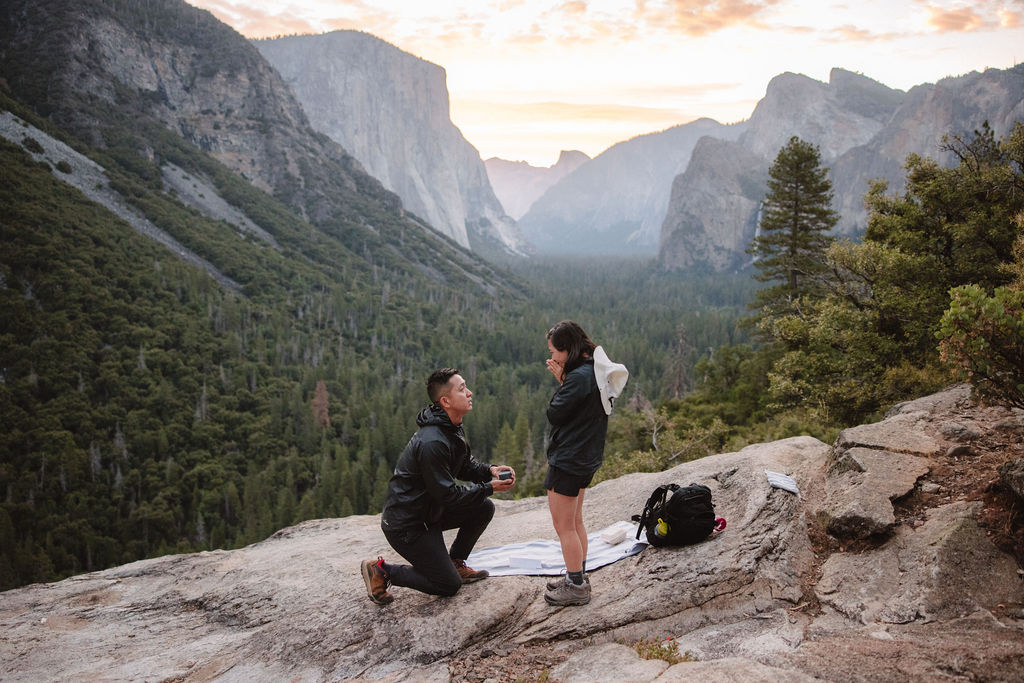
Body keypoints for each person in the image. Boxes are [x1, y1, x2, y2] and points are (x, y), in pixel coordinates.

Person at [360, 368, 516, 605]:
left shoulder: (451, 427)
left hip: (428, 513)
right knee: (448, 585)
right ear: (445, 401)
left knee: (483, 508)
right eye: (462, 389)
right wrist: (489, 487)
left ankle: (455, 561)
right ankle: (382, 570)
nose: (470, 393)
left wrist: (489, 471)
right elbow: (449, 496)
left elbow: (463, 466)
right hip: (408, 525)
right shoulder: (433, 441)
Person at [542, 321, 614, 607]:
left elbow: (555, 413)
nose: (553, 357)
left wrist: (561, 382)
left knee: (564, 526)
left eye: (554, 351)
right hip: (586, 456)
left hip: (569, 459)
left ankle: (576, 585)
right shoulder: (594, 370)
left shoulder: (577, 377)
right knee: (576, 521)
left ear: (567, 348)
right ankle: (578, 575)